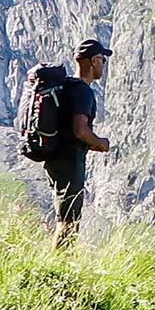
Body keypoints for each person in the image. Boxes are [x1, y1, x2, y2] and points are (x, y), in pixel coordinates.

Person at [44, 38, 110, 249]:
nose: (103, 66)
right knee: (69, 221)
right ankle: (59, 266)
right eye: (102, 60)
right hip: (70, 161)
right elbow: (79, 129)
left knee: (65, 217)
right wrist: (100, 142)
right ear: (94, 60)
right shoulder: (83, 91)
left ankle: (60, 263)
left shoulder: (66, 87)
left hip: (55, 157)